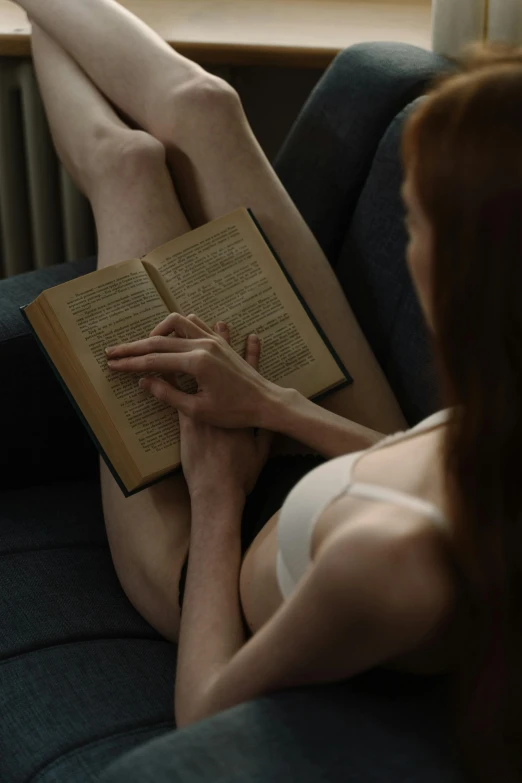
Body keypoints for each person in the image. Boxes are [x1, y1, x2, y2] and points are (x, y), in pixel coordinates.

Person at [15, 0, 522, 780]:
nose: (405, 234)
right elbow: (439, 471)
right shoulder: (503, 392)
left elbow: (207, 711)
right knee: (204, 108)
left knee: (128, 166)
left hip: (205, 563)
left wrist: (218, 493)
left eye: (414, 221)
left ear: (465, 267)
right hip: (323, 464)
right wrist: (269, 402)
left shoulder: (388, 562)